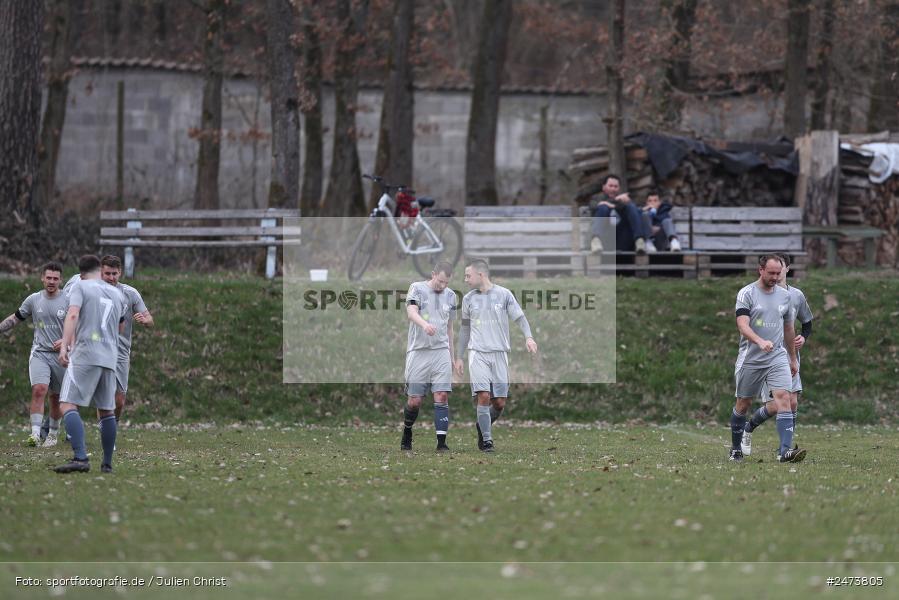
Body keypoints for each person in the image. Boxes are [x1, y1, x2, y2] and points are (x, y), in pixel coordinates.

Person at [454, 259, 537, 452]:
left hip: (499, 354)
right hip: (478, 354)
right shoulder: (468, 299)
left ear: (480, 275)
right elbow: (465, 330)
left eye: (468, 275)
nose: (465, 280)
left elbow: (520, 318)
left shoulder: (504, 294)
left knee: (499, 403)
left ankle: (482, 424)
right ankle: (487, 440)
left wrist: (529, 337)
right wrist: (459, 356)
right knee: (484, 396)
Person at [54, 255, 127, 474]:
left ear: (82, 272)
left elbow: (73, 314)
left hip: (86, 352)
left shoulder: (81, 286)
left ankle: (80, 458)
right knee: (106, 410)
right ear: (99, 270)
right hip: (110, 355)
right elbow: (120, 327)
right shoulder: (117, 293)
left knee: (66, 403)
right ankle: (107, 464)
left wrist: (65, 345)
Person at [729, 255, 803, 463]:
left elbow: (789, 329)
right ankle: (735, 449)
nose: (775, 277)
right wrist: (760, 341)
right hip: (751, 357)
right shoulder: (747, 293)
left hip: (777, 356)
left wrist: (792, 358)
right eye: (771, 273)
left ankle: (784, 452)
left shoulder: (784, 296)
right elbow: (742, 325)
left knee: (785, 399)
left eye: (778, 273)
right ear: (760, 270)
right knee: (743, 404)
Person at [0, 262, 67, 447]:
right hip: (40, 353)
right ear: (42, 278)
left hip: (62, 356)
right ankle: (35, 435)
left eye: (55, 278)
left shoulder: (69, 300)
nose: (51, 281)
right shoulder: (33, 300)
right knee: (39, 390)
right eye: (48, 278)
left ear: (60, 280)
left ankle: (53, 434)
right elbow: (15, 318)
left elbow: (81, 327)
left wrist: (67, 341)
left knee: (56, 397)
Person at [400, 261, 457, 453]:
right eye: (440, 281)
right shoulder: (416, 288)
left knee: (441, 395)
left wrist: (452, 356)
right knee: (414, 401)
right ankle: (407, 431)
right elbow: (411, 313)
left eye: (446, 283)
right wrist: (424, 325)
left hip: (441, 351)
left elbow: (450, 328)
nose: (443, 286)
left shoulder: (451, 296)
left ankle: (442, 443)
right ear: (433, 275)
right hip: (419, 351)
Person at [100, 255, 154, 423]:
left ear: (120, 273)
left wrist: (146, 321)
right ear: (101, 273)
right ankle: (104, 433)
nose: (111, 278)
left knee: (119, 400)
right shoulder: (93, 293)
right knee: (104, 396)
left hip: (121, 353)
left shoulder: (130, 293)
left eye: (114, 273)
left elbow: (150, 320)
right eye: (107, 273)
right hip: (97, 349)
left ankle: (111, 427)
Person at [589, 174, 655, 254]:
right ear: (604, 187)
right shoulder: (596, 198)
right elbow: (593, 206)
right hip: (604, 240)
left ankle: (639, 241)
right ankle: (595, 240)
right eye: (610, 186)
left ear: (619, 188)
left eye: (616, 186)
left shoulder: (623, 200)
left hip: (623, 238)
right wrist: (613, 201)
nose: (613, 189)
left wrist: (627, 203)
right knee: (603, 207)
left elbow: (635, 214)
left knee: (630, 206)